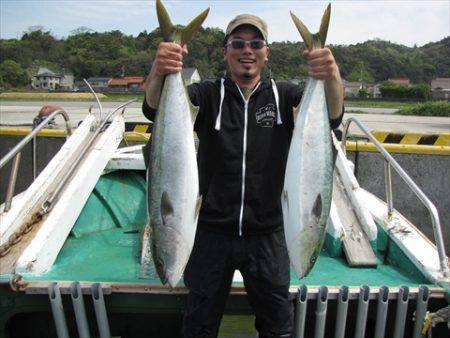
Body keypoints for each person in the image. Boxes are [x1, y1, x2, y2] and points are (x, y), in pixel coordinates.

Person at [142, 13, 344, 338]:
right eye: (238, 43)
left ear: (267, 51)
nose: (246, 50)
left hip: (268, 234)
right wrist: (161, 67)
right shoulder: (207, 95)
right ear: (225, 51)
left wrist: (330, 75)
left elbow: (333, 114)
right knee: (198, 326)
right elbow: (153, 109)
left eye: (255, 43)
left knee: (278, 328)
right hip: (210, 232)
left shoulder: (286, 96)